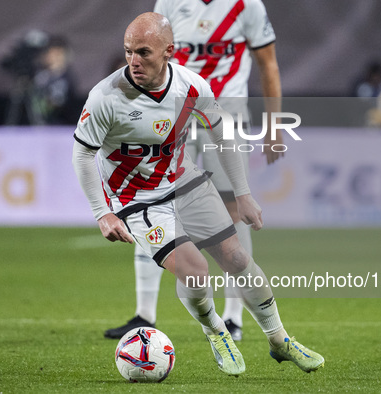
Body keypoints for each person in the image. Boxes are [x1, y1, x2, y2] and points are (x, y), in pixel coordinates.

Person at [72, 12, 323, 376]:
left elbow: (223, 136)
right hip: (138, 200)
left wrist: (244, 194)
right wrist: (102, 212)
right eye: (128, 52)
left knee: (236, 259)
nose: (133, 61)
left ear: (169, 51)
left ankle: (279, 340)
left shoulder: (191, 86)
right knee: (195, 271)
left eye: (143, 52)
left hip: (184, 181)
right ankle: (217, 331)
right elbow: (81, 153)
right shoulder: (106, 97)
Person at [104, 0, 284, 342]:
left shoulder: (247, 5)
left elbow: (268, 63)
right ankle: (145, 315)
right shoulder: (171, 1)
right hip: (175, 108)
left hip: (226, 110)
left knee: (233, 209)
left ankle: (234, 316)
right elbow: (153, 54)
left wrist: (274, 125)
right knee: (152, 200)